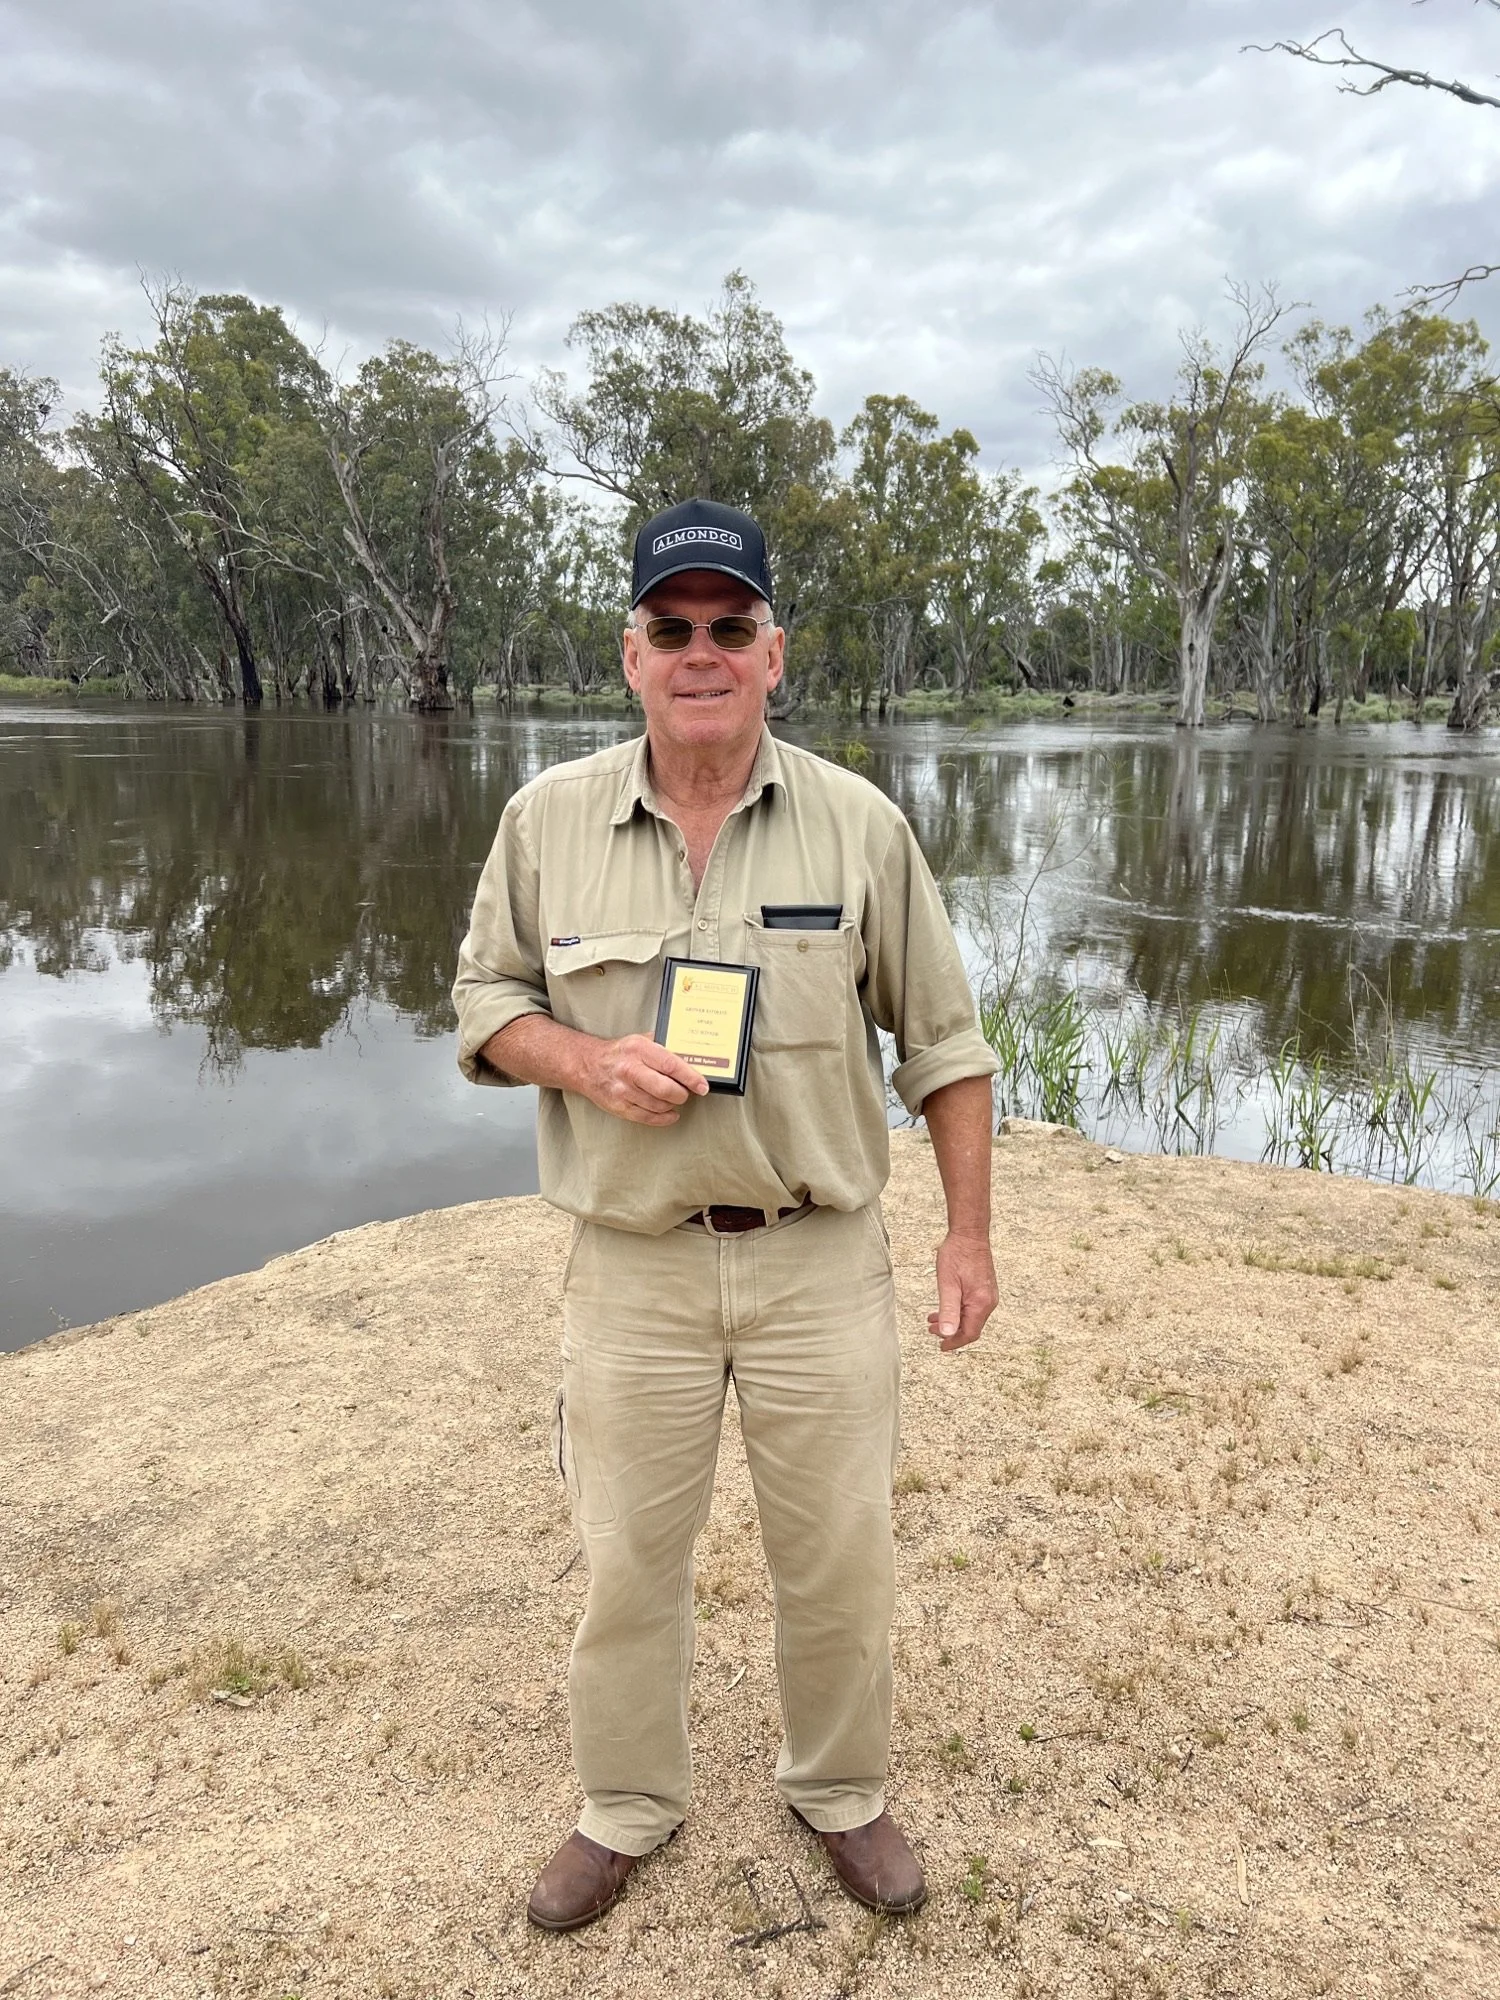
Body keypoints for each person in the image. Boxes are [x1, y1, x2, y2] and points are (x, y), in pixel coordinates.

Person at [452, 497, 999, 1932]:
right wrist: (579, 1060)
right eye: (672, 625)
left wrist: (965, 1234)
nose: (703, 649)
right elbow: (484, 998)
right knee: (630, 1561)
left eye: (730, 625)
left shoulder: (862, 828)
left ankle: (843, 1791)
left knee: (838, 1552)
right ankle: (625, 1805)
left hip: (817, 1261)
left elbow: (945, 1046)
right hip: (630, 1267)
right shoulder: (546, 822)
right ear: (629, 655)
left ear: (774, 653)